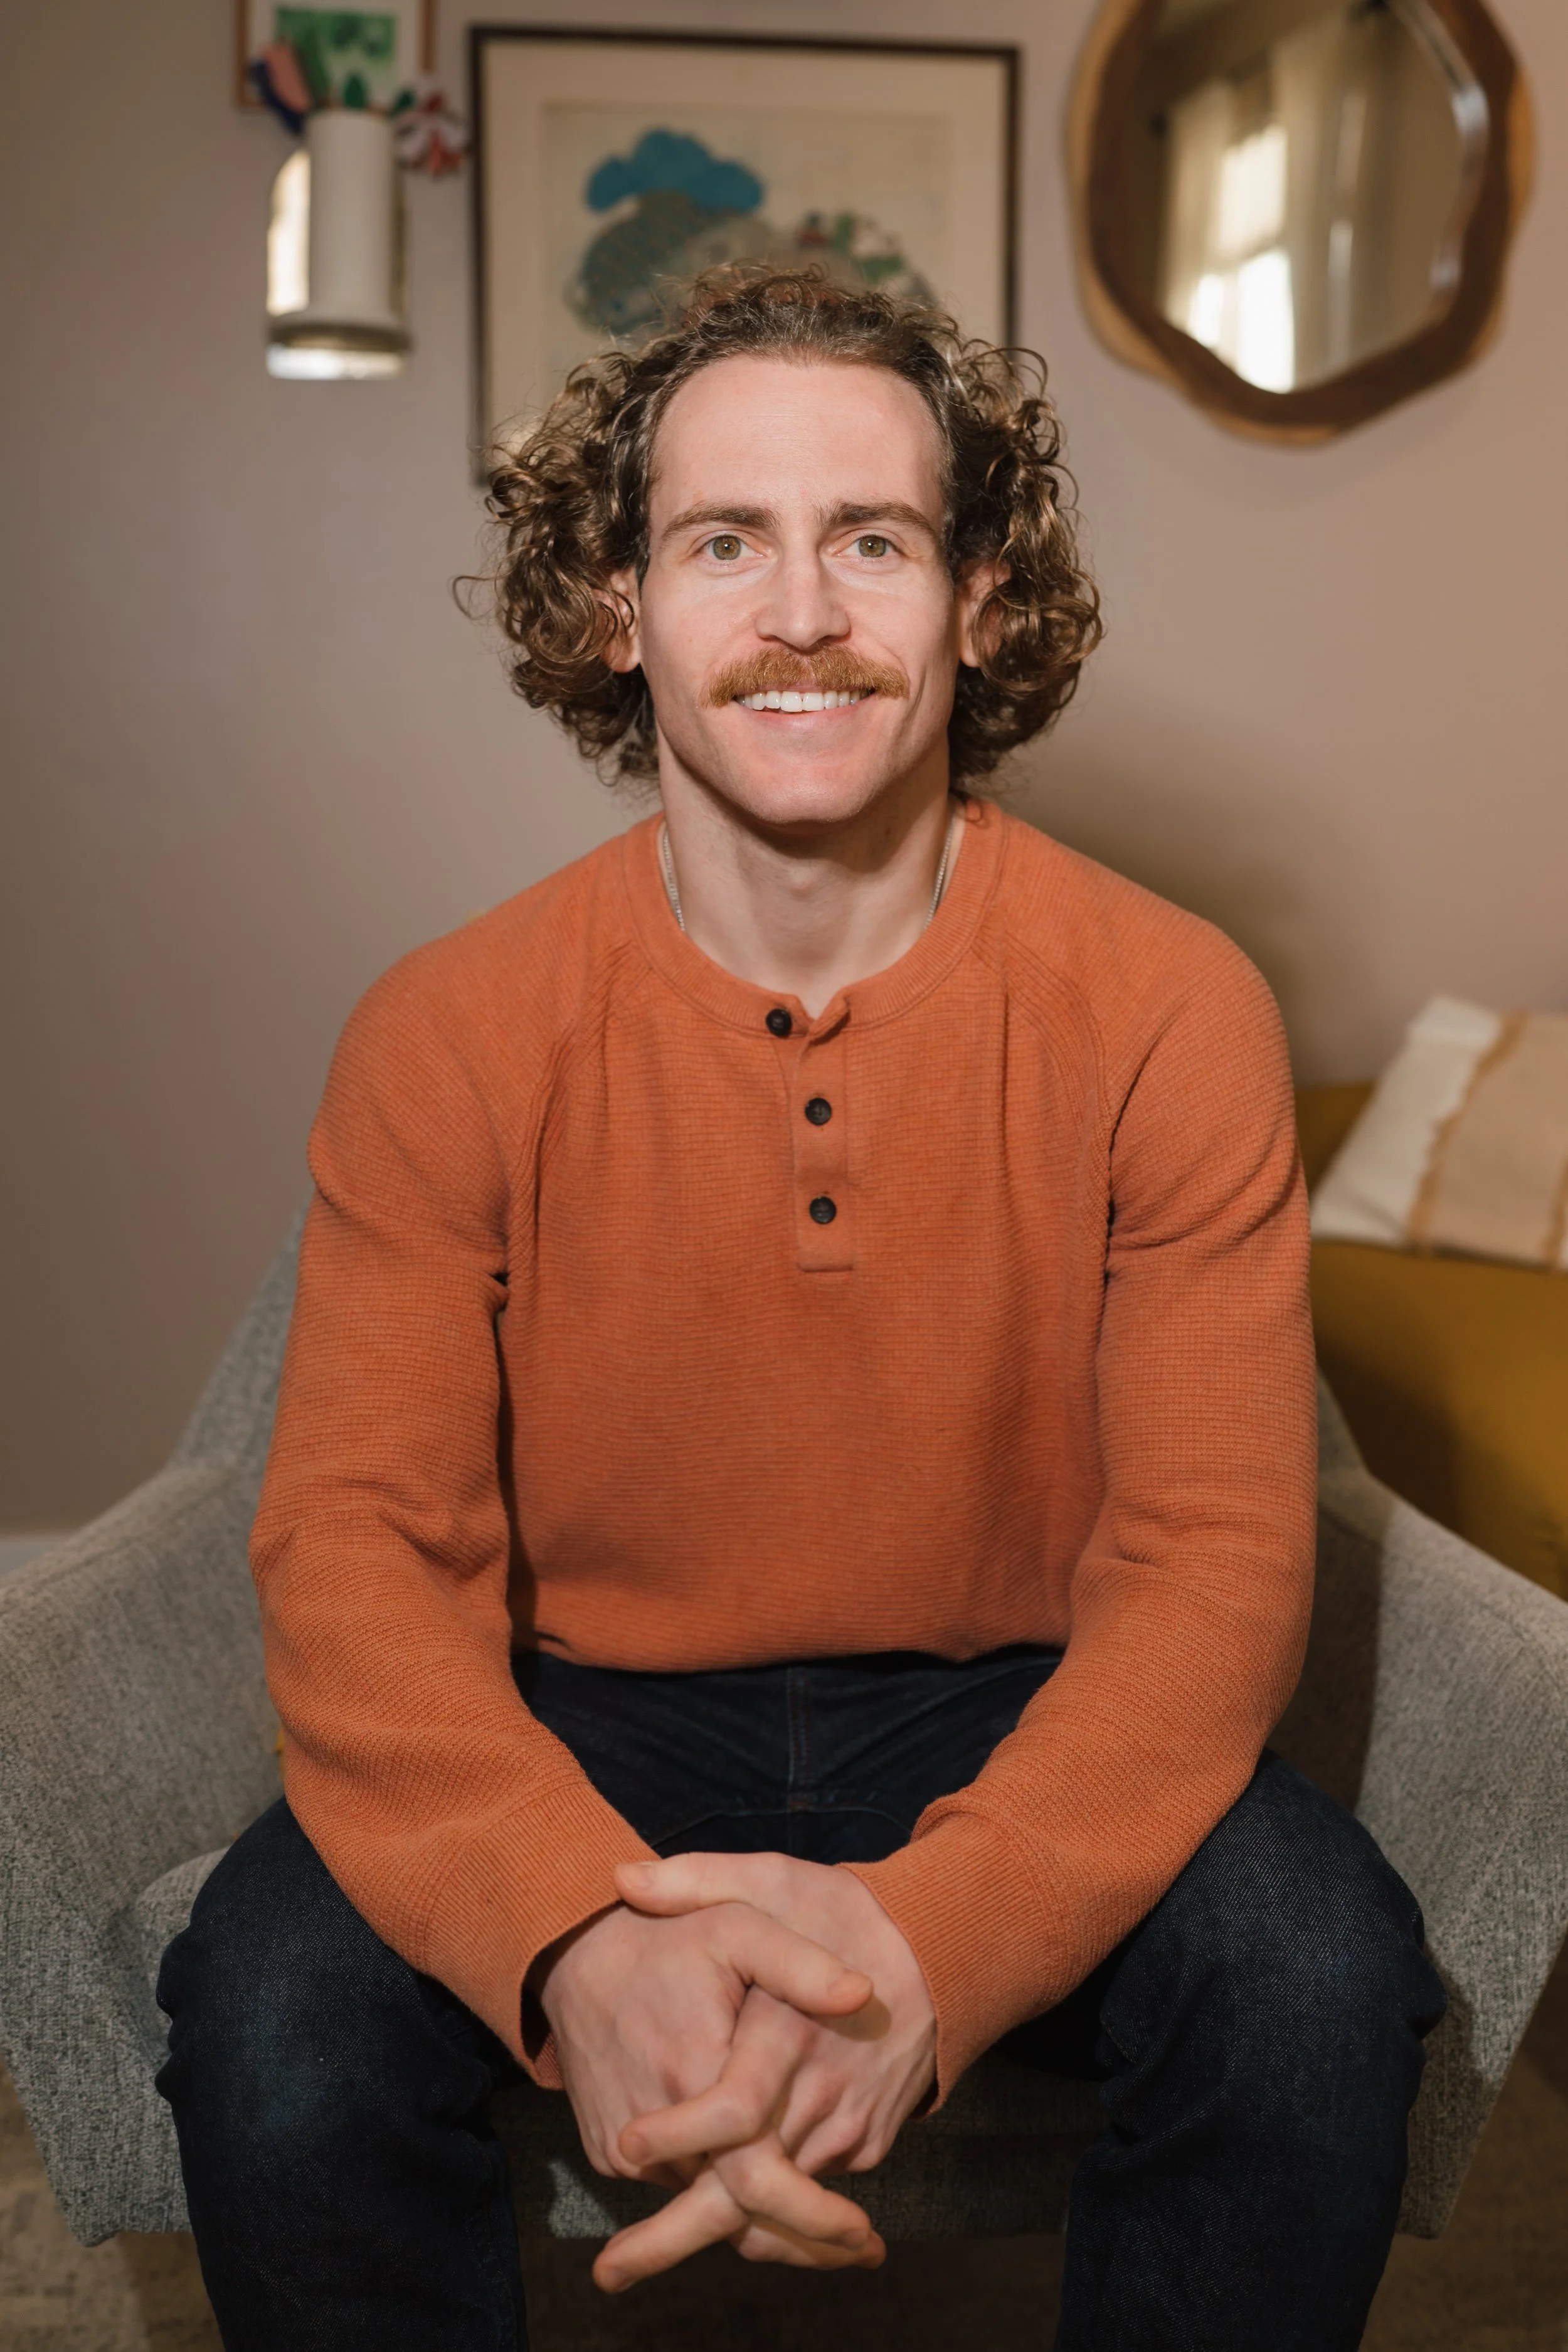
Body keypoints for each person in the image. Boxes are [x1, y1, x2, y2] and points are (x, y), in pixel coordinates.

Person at [156, 267, 1443, 2351]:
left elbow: (1213, 1562)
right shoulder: (443, 1029)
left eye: (873, 539)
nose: (803, 611)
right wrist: (569, 1927)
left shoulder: (1170, 1007)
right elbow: (351, 1549)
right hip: (579, 1697)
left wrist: (931, 1946)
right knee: (267, 2001)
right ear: (616, 609)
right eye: (721, 543)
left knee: (1313, 1966)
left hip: (1012, 1689)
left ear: (980, 603)